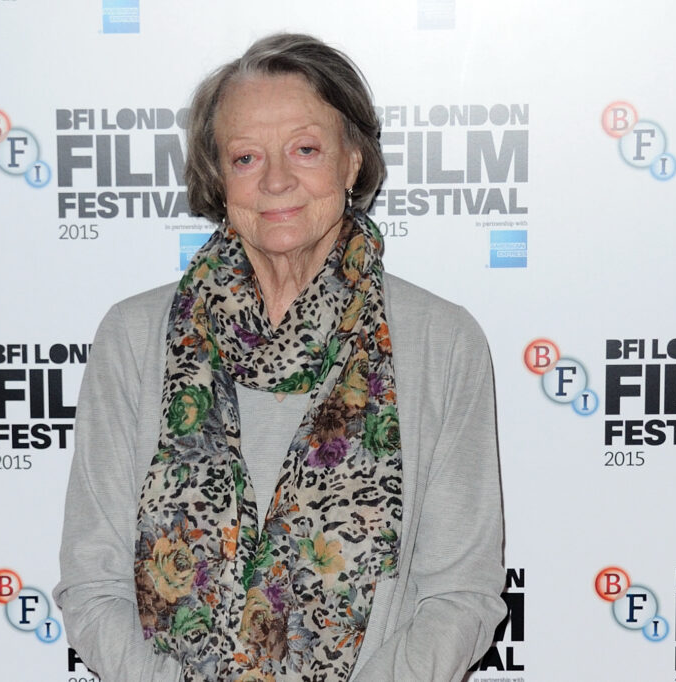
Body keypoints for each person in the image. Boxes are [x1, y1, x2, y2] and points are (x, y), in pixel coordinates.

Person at [54, 33, 506, 682]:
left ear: (352, 160)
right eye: (245, 157)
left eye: (305, 149)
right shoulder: (134, 338)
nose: (275, 180)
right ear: (217, 175)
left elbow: (459, 596)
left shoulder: (442, 342)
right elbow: (93, 584)